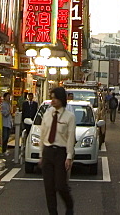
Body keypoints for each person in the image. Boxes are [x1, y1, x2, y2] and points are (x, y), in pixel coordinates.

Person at [38, 87, 75, 215]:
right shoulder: (47, 114)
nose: (52, 100)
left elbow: (70, 137)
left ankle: (69, 205)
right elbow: (43, 135)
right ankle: (53, 212)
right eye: (51, 98)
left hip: (61, 152)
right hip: (48, 151)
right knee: (49, 187)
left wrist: (69, 156)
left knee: (60, 185)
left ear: (61, 99)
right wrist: (41, 154)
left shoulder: (69, 117)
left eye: (55, 98)